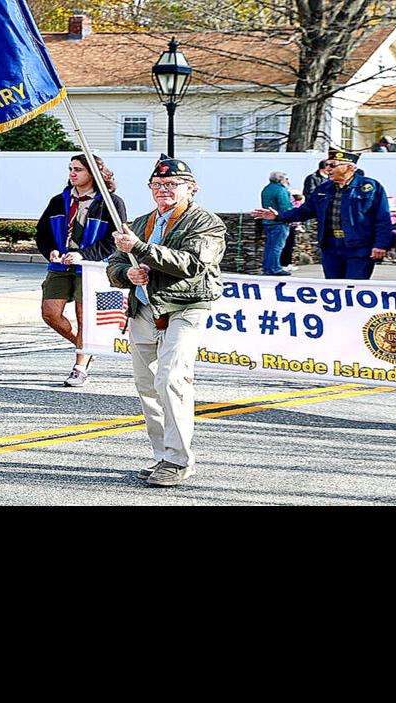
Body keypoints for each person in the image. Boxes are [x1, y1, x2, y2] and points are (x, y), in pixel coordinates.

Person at [106, 155, 225, 488]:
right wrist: (126, 274)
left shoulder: (206, 223)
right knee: (147, 386)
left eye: (172, 184)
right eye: (157, 184)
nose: (163, 189)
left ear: (191, 188)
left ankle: (177, 459)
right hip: (144, 309)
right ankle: (163, 456)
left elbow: (193, 263)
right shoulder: (140, 222)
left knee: (172, 378)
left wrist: (141, 249)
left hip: (186, 307)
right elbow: (115, 265)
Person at [34, 153, 127, 386]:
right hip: (60, 265)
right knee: (50, 313)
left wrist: (83, 255)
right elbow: (42, 232)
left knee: (83, 316)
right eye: (70, 169)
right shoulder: (59, 200)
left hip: (91, 267)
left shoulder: (112, 203)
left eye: (78, 169)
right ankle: (86, 346)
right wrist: (51, 250)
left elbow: (114, 240)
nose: (72, 173)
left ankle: (80, 367)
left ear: (93, 174)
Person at [252, 147, 393, 280]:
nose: (328, 169)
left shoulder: (370, 187)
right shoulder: (324, 189)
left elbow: (383, 218)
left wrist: (380, 245)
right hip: (331, 247)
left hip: (359, 247)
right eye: (326, 165)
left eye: (333, 165)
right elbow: (304, 211)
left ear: (350, 168)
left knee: (353, 288)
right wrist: (278, 216)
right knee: (333, 287)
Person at [259, 171, 294, 276]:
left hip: (267, 221)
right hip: (279, 221)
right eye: (286, 179)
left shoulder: (266, 189)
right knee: (277, 246)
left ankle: (267, 268)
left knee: (269, 246)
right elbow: (285, 206)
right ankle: (275, 268)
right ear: (280, 179)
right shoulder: (281, 190)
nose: (287, 181)